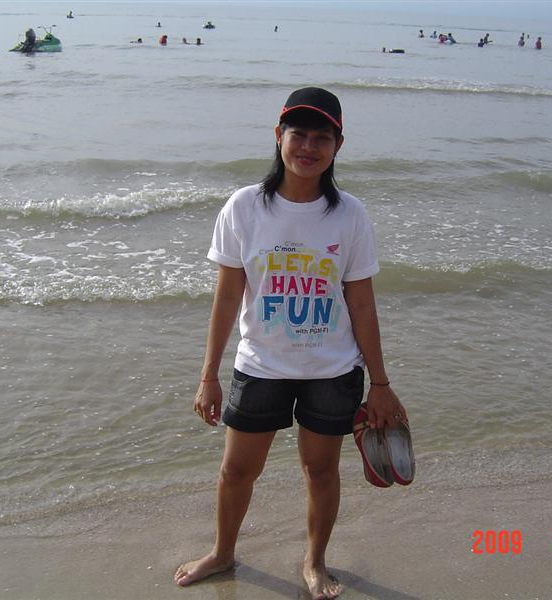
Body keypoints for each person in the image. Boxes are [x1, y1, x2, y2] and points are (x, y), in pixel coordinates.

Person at [173, 87, 407, 599]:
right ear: (278, 136)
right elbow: (227, 296)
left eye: (322, 138)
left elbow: (362, 304)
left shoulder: (349, 215)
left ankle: (315, 562)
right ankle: (223, 552)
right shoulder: (244, 207)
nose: (308, 147)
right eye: (298, 134)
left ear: (338, 146)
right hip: (260, 365)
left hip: (332, 369)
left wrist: (381, 383)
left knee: (320, 470)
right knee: (237, 469)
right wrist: (208, 375)